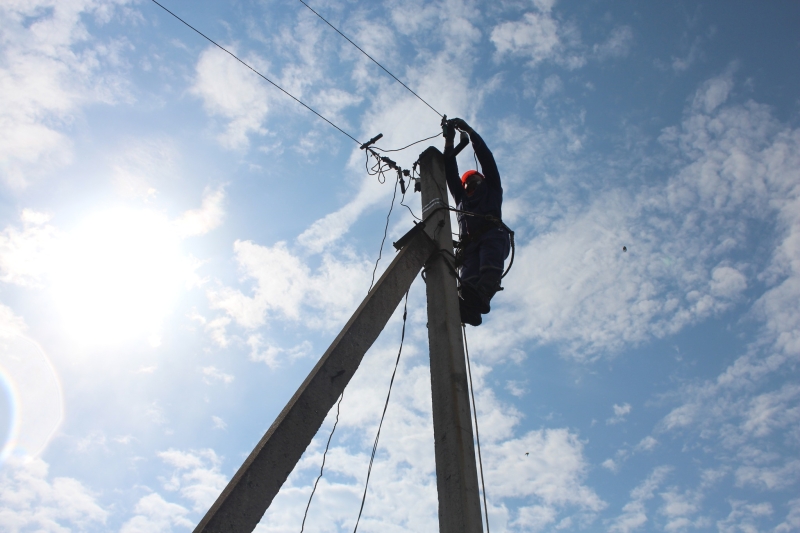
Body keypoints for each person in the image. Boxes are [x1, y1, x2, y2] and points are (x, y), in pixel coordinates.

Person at [443, 118, 510, 326]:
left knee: (489, 268)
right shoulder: (462, 198)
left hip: (492, 234)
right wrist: (449, 142)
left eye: (474, 180)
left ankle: (482, 298)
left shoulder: (492, 188)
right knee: (467, 284)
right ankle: (470, 311)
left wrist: (471, 132)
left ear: (482, 179)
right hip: (469, 246)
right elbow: (449, 171)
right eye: (468, 182)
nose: (470, 183)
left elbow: (487, 159)